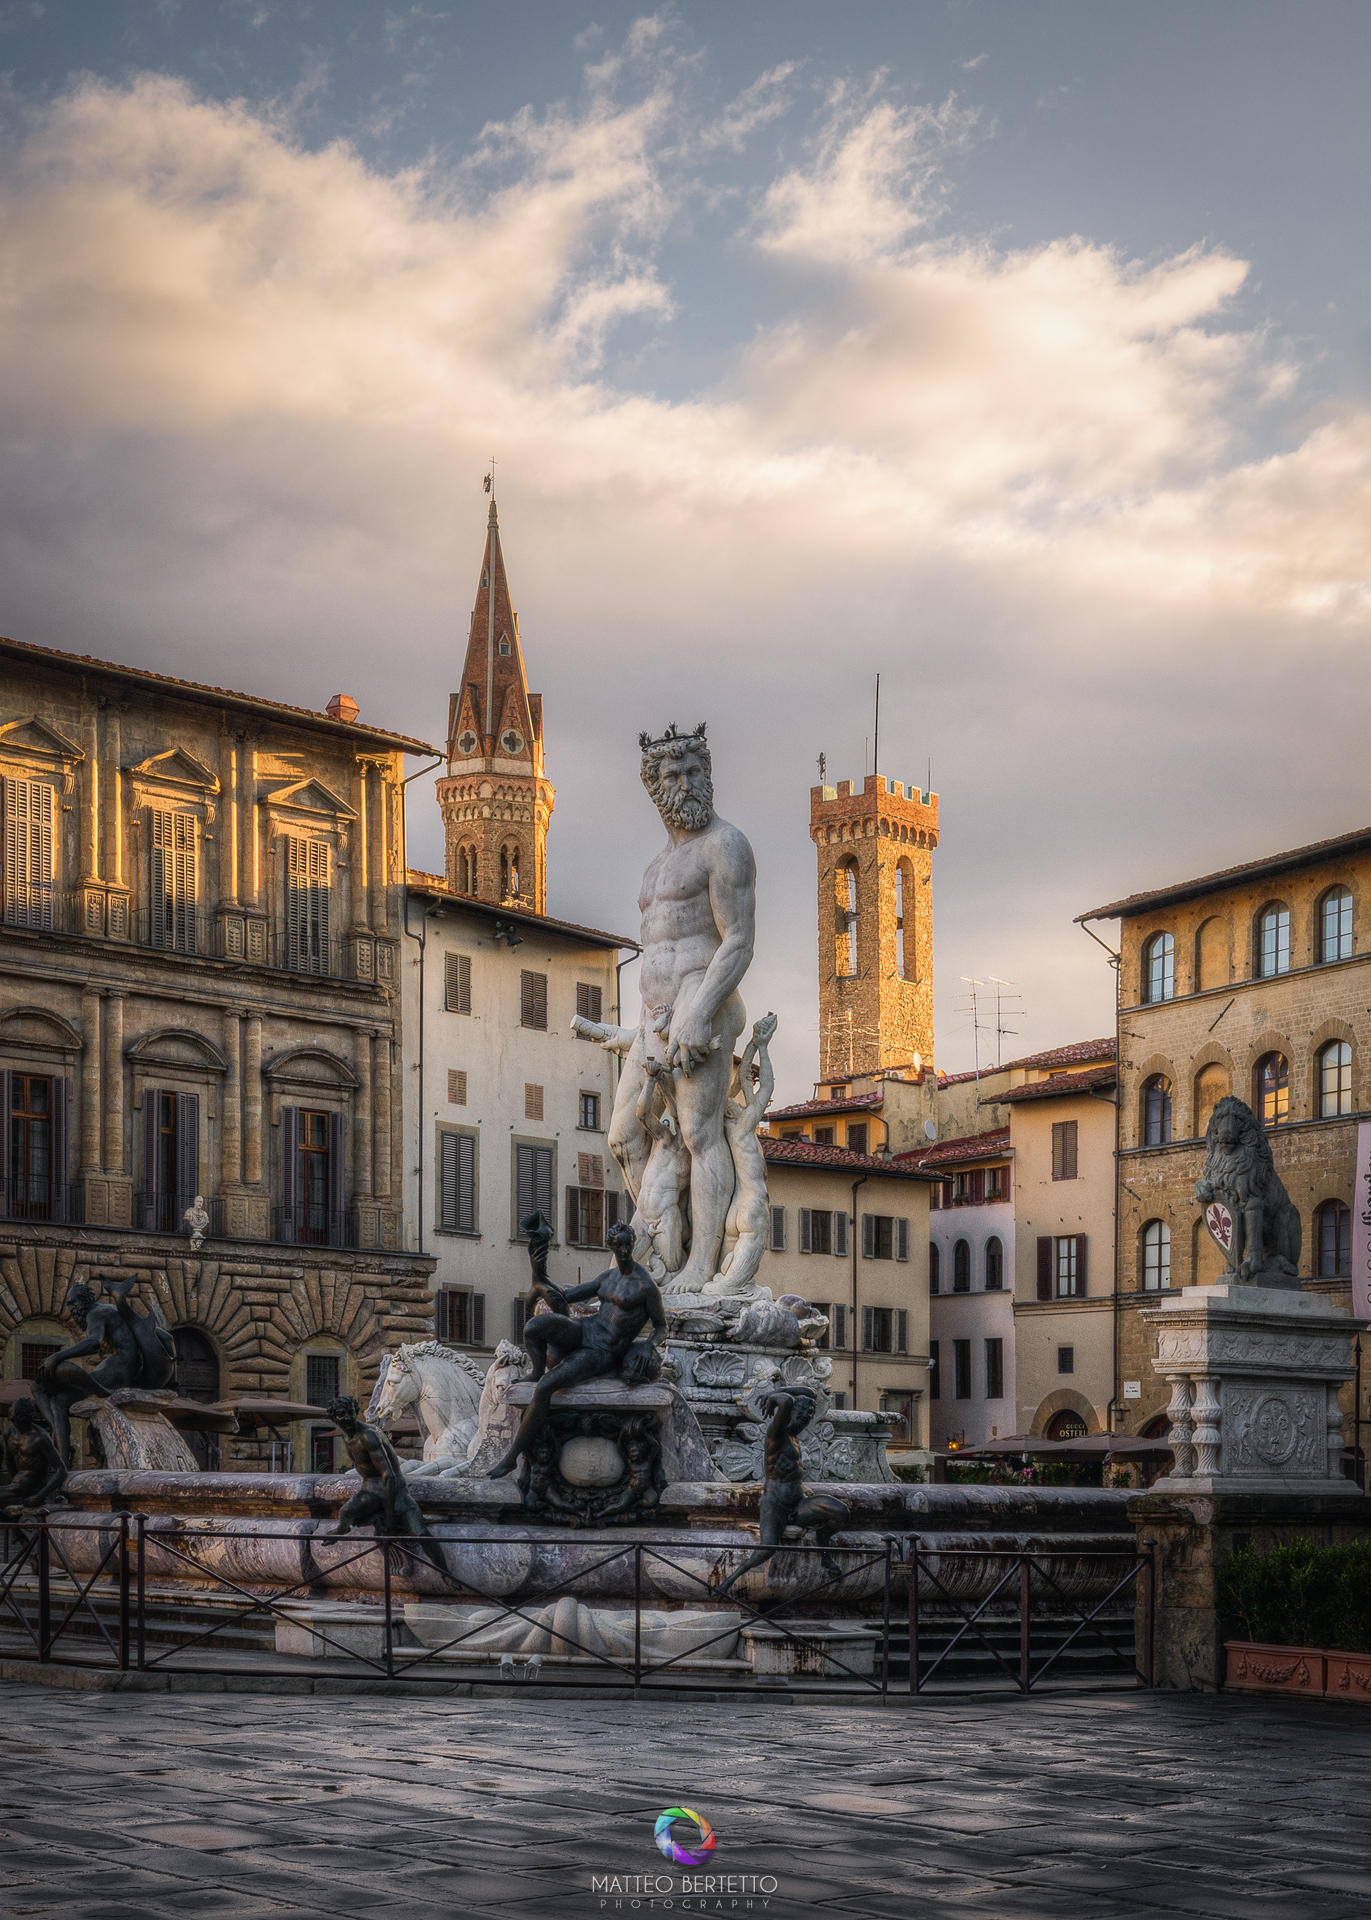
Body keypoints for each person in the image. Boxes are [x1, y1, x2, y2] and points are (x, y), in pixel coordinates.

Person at [608, 724, 756, 1292]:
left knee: (699, 1135)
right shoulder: (654, 869)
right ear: (655, 786)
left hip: (703, 999)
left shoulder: (726, 845)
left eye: (696, 772)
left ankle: (703, 1265)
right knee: (624, 1135)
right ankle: (664, 1249)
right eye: (674, 774)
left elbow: (739, 939)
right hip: (653, 1015)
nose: (687, 783)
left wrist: (699, 1013)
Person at [488, 1219, 667, 1479]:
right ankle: (536, 1370)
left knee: (548, 1386)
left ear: (633, 1244)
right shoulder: (607, 1277)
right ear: (612, 1248)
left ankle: (511, 1457)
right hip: (586, 1329)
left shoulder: (645, 1285)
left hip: (603, 1350)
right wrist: (539, 1275)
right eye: (618, 1247)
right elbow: (564, 1297)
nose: (624, 1251)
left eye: (627, 1245)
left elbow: (662, 1326)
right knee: (534, 1327)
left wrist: (647, 1345)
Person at [717, 1389, 850, 1595]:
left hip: (798, 1503)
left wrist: (776, 1392)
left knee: (840, 1511)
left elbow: (809, 1391)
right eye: (801, 1415)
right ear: (790, 1413)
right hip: (774, 1503)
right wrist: (772, 1395)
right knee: (768, 1548)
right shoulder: (776, 1433)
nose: (805, 1420)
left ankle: (824, 1553)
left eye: (809, 1416)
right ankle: (729, 1580)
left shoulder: (794, 1436)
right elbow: (786, 1401)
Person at [325, 1395, 448, 1580]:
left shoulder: (368, 1436)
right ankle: (342, 1529)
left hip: (396, 1492)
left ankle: (445, 1573)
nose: (348, 1418)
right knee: (345, 1512)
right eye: (342, 1415)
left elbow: (389, 1476)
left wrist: (390, 1516)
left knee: (421, 1533)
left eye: (351, 1413)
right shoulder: (346, 1435)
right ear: (334, 1418)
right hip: (371, 1491)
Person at [32, 1280, 141, 1466]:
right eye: (69, 1305)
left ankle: (62, 1463)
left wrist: (56, 1356)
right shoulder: (106, 1310)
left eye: (73, 1303)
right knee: (40, 1389)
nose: (71, 1310)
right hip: (118, 1367)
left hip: (118, 1368)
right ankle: (55, 1434)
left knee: (59, 1400)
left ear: (84, 1300)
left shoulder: (96, 1314)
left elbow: (93, 1343)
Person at [0, 1399, 68, 1515]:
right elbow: (9, 1460)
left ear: (19, 1415)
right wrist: (16, 1482)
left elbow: (62, 1470)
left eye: (12, 1408)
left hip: (31, 1489)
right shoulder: (9, 1434)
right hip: (16, 1487)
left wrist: (39, 1496)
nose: (9, 1409)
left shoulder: (39, 1438)